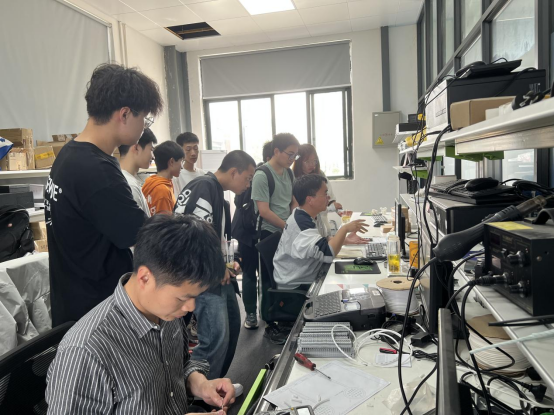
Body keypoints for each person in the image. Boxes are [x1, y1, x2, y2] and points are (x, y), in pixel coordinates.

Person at [46, 215, 237, 415]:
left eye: (196, 296)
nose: (190, 307)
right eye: (182, 298)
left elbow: (179, 366)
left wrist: (201, 385)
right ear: (145, 278)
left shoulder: (167, 313)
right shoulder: (85, 351)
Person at [46, 63, 161, 326]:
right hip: (98, 316)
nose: (143, 127)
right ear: (125, 114)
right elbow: (144, 237)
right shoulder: (96, 171)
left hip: (73, 303)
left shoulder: (69, 154)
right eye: (144, 119)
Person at [175, 150, 256, 381]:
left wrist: (229, 262)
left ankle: (217, 382)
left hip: (215, 274)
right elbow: (193, 238)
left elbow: (216, 238)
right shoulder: (205, 187)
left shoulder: (216, 192)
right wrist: (216, 266)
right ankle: (202, 391)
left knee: (231, 327)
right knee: (214, 339)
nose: (248, 185)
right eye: (248, 178)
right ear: (234, 172)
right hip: (201, 277)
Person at [273, 174, 368, 291]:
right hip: (296, 284)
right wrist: (344, 229)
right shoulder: (302, 224)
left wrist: (344, 240)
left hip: (310, 273)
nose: (328, 197)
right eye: (325, 193)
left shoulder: (310, 215)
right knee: (352, 286)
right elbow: (328, 254)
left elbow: (323, 240)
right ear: (310, 200)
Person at [251, 133, 299, 343]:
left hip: (285, 231)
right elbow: (264, 211)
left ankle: (284, 318)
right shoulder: (262, 175)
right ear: (276, 151)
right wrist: (287, 226)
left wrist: (294, 221)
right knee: (268, 280)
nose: (292, 159)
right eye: (290, 154)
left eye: (295, 155)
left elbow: (293, 201)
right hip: (268, 233)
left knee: (286, 277)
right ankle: (270, 323)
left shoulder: (288, 173)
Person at [293, 144, 366, 244]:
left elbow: (330, 199)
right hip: (312, 229)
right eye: (307, 161)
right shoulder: (295, 180)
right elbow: (321, 247)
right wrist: (344, 230)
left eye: (314, 161)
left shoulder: (320, 174)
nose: (312, 165)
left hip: (322, 225)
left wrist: (340, 211)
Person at [119, 128, 157, 217]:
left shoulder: (122, 178)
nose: (153, 157)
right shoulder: (130, 185)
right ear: (136, 148)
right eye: (151, 149)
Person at [142, 141, 184, 216]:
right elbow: (164, 222)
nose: (182, 167)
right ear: (171, 162)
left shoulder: (150, 182)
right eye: (181, 161)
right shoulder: (162, 191)